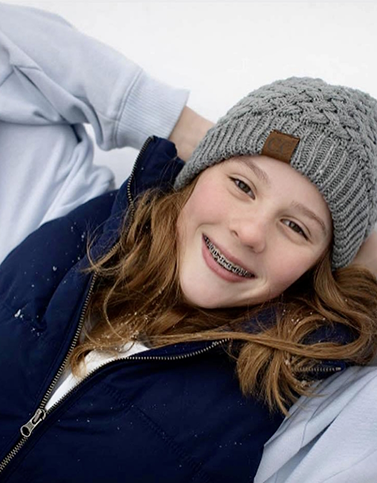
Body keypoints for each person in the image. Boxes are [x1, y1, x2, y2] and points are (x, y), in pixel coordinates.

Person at [1, 4, 377, 483]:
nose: (250, 232)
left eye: (297, 228)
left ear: (316, 268)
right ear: (196, 173)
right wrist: (190, 132)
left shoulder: (302, 402)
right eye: (242, 185)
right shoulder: (71, 216)